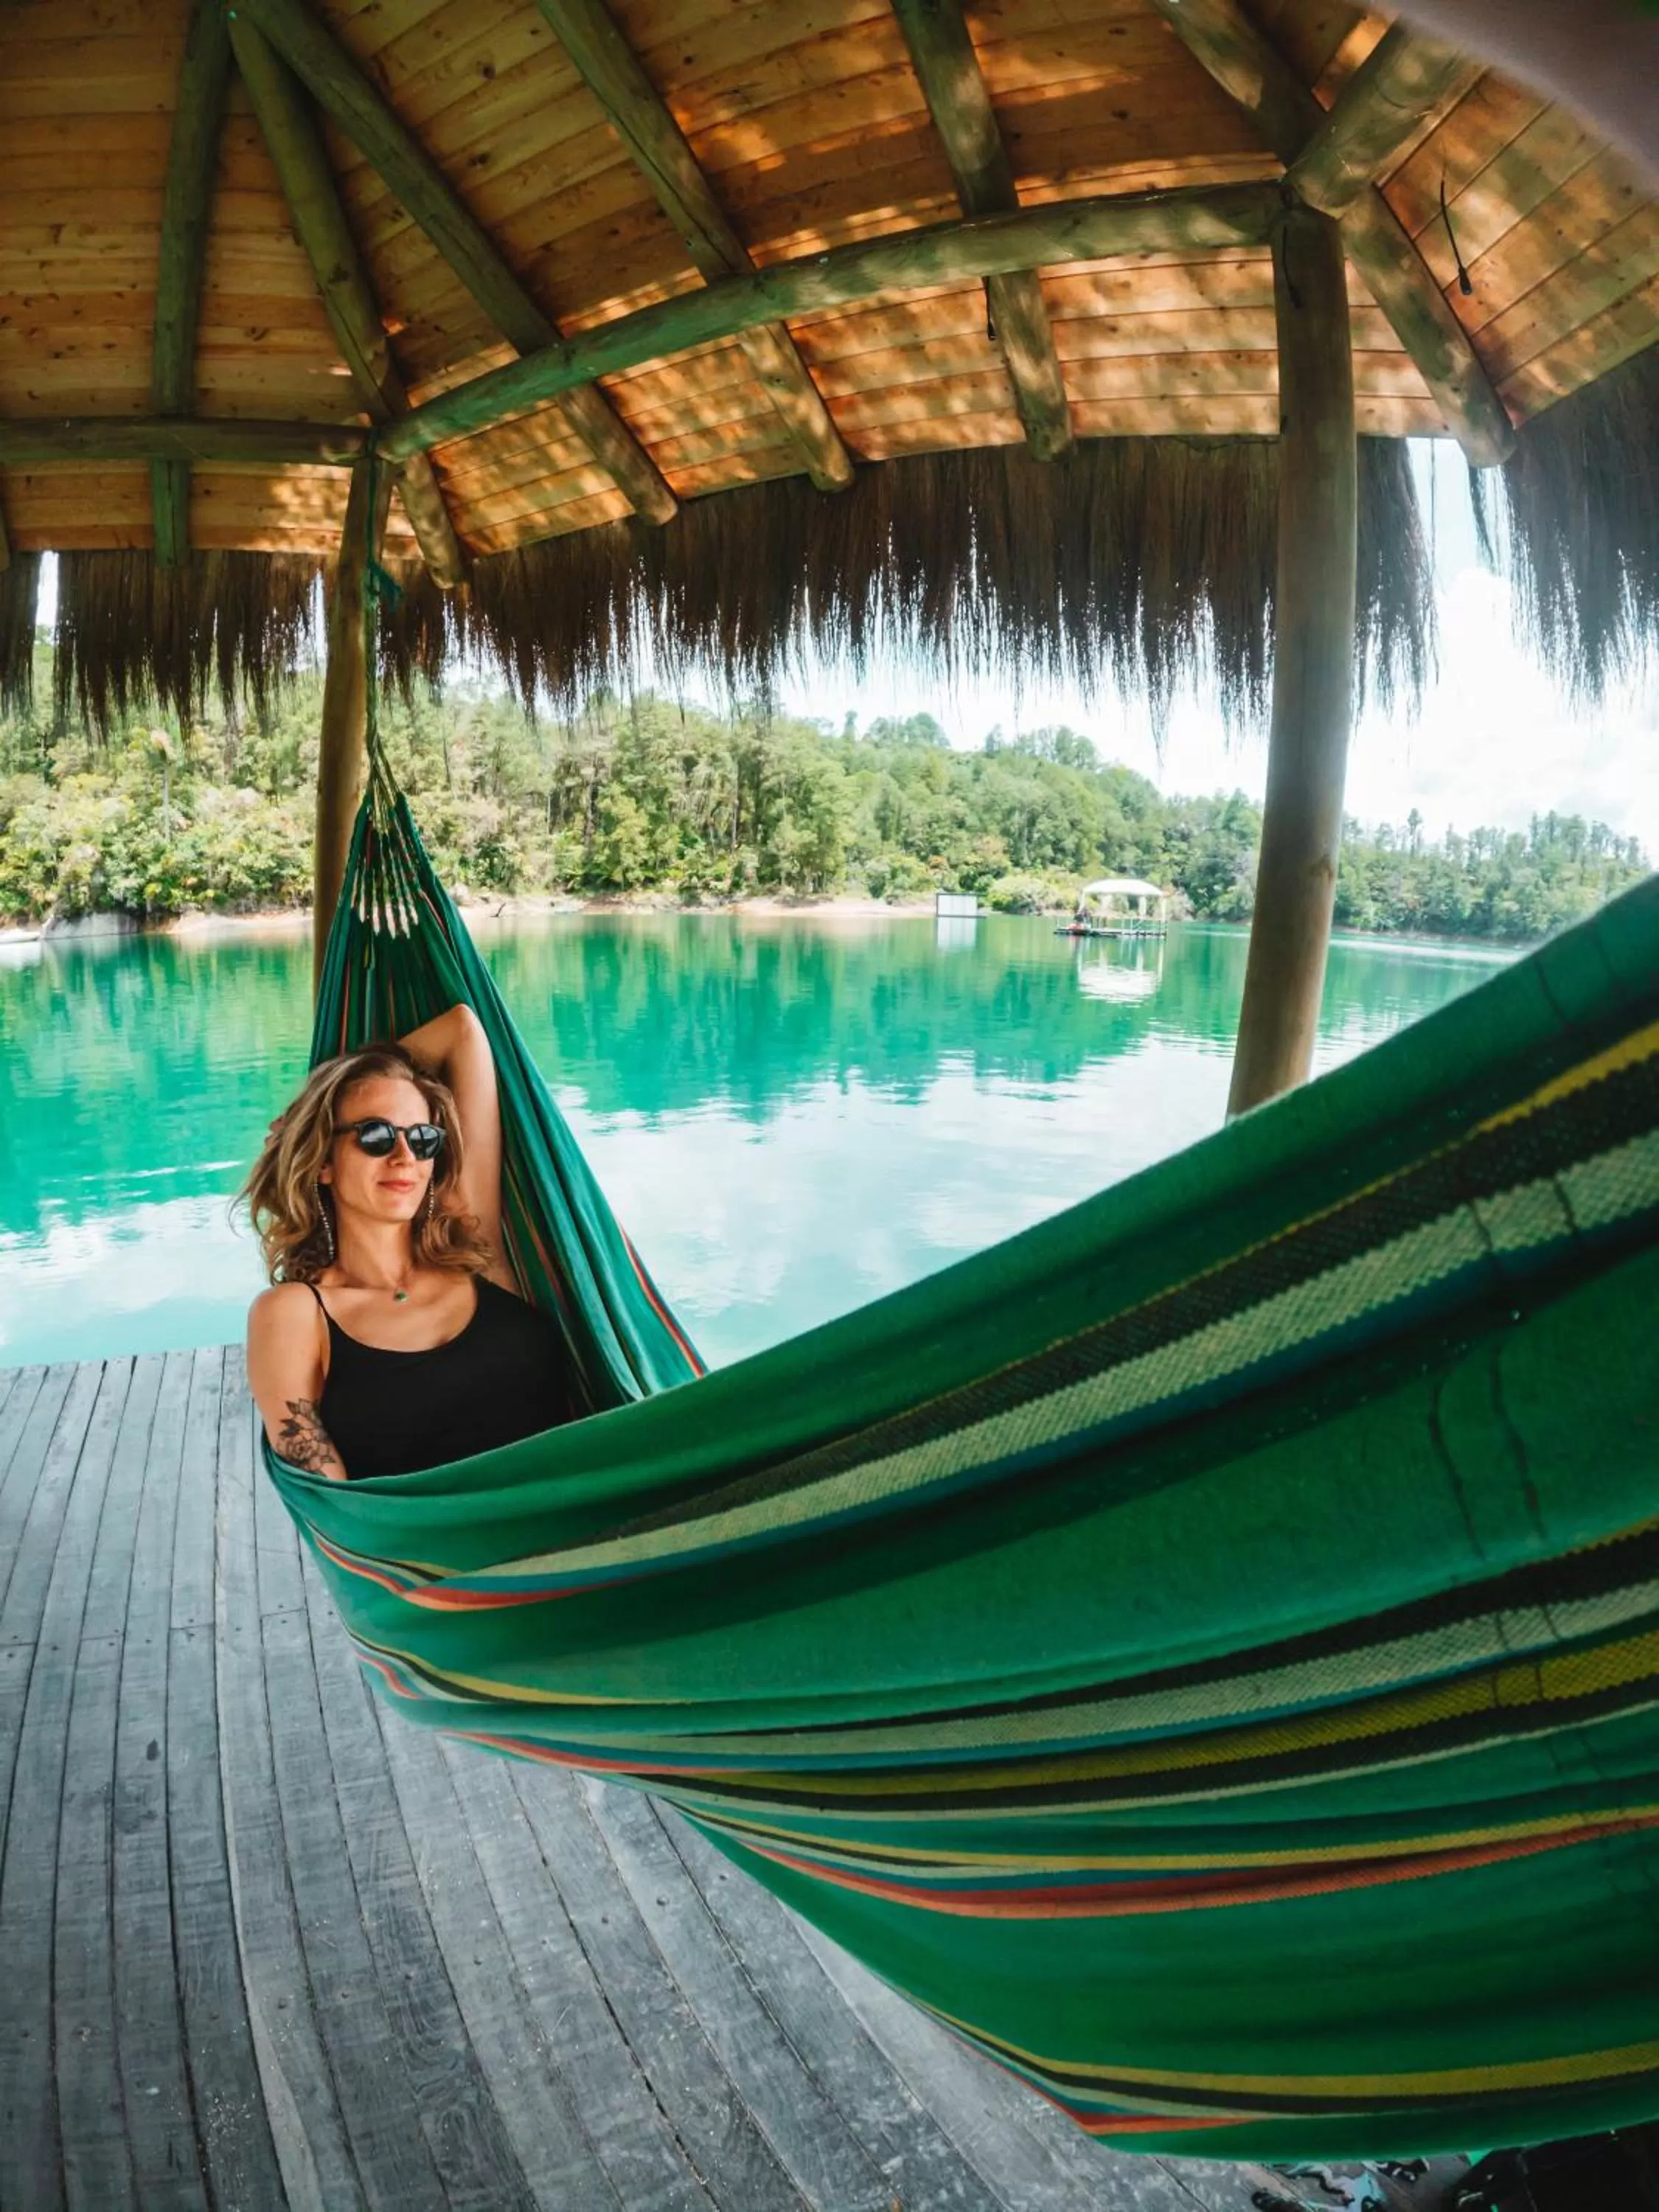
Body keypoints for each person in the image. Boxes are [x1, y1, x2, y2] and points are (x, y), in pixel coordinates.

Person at [242, 1003, 575, 1481]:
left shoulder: (472, 1245)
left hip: (588, 1519)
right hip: (435, 1552)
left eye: (422, 1139)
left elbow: (462, 1030)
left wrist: (328, 1096)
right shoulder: (296, 1313)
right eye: (375, 1135)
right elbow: (331, 1499)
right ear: (322, 1162)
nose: (405, 1156)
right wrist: (320, 1102)